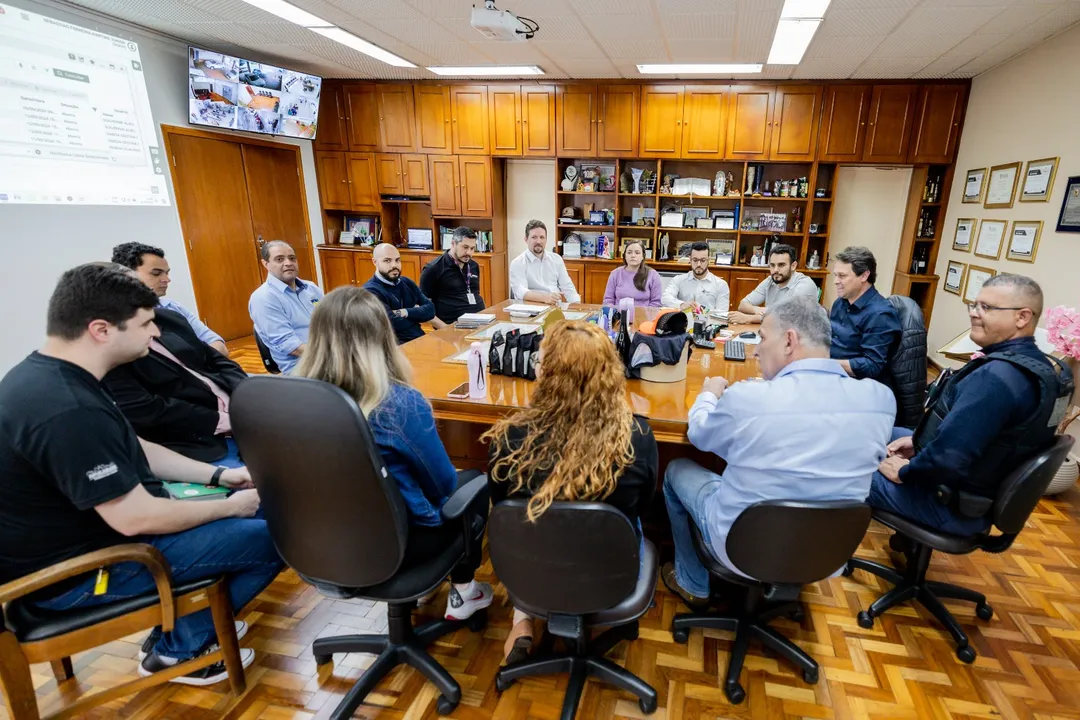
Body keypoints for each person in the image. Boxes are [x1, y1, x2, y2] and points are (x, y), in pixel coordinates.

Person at [0, 264, 282, 686]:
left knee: (261, 509)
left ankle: (184, 626)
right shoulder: (67, 409)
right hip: (78, 574)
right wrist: (229, 508)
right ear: (101, 329)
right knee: (279, 535)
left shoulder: (57, 374)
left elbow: (138, 448)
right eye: (146, 323)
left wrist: (222, 479)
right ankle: (178, 649)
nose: (156, 333)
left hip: (98, 539)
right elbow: (134, 518)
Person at [662, 297, 894, 609]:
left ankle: (692, 583)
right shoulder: (881, 400)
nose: (756, 350)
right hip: (826, 554)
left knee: (677, 469)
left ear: (789, 341)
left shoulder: (750, 398)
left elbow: (699, 435)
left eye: (762, 338)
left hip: (741, 548)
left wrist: (708, 395)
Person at [293, 286, 493, 622]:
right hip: (401, 546)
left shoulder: (290, 399)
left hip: (320, 546)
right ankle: (464, 590)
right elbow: (443, 485)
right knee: (474, 481)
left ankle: (425, 590)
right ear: (383, 337)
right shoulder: (398, 404)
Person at [483, 321, 658, 662]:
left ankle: (522, 620)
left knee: (531, 520)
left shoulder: (510, 439)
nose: (534, 367)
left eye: (539, 362)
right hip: (609, 575)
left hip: (531, 571)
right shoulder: (636, 438)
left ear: (547, 375)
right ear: (609, 374)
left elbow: (500, 505)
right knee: (630, 521)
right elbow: (644, 507)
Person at [871, 274, 1070, 536]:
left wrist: (905, 472)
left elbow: (948, 459)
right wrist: (919, 442)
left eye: (986, 308)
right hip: (979, 489)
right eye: (974, 306)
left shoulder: (995, 379)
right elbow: (989, 439)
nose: (974, 314)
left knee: (850, 464)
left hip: (950, 506)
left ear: (1022, 317)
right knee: (889, 432)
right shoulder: (1046, 369)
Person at [103, 302, 248, 466]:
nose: (155, 331)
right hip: (201, 436)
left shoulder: (169, 318)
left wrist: (246, 395)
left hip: (239, 407)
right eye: (144, 324)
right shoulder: (111, 356)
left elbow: (218, 360)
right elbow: (146, 410)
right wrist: (228, 421)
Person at [112, 242, 228, 355]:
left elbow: (216, 343)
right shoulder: (113, 319)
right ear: (126, 275)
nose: (166, 279)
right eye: (156, 273)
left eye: (166, 273)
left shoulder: (172, 307)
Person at [248, 240, 324, 374]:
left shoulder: (311, 288)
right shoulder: (263, 298)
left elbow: (334, 321)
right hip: (303, 366)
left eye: (292, 258)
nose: (288, 263)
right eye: (279, 259)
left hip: (328, 356)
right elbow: (292, 347)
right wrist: (331, 355)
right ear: (266, 264)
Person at [829, 246, 901, 381]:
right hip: (834, 374)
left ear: (864, 275)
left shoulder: (880, 315)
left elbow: (872, 366)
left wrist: (826, 364)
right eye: (835, 275)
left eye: (842, 276)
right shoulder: (840, 302)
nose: (836, 281)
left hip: (857, 384)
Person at [362, 243, 435, 344]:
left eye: (397, 260)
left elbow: (431, 310)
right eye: (387, 260)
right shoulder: (370, 291)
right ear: (375, 262)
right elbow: (390, 323)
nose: (394, 265)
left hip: (420, 341)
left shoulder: (407, 283)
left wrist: (404, 312)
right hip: (394, 348)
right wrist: (416, 316)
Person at [729, 243, 818, 323]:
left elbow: (790, 318)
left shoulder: (805, 284)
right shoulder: (770, 280)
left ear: (793, 266)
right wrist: (756, 309)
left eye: (781, 265)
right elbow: (743, 304)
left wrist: (749, 318)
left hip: (799, 337)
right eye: (772, 265)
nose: (775, 270)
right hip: (774, 331)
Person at [419, 226, 486, 328]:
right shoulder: (433, 269)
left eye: (472, 248)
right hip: (451, 326)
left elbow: (475, 294)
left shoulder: (473, 265)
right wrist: (445, 328)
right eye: (465, 247)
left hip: (479, 323)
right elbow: (422, 306)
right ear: (453, 244)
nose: (469, 253)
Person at [508, 220, 581, 305]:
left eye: (542, 237)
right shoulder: (517, 263)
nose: (538, 241)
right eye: (534, 237)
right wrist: (545, 297)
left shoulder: (556, 259)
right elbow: (520, 292)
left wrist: (578, 307)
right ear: (526, 239)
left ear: (546, 239)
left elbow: (567, 287)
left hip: (554, 309)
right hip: (530, 309)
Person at [660, 242, 730, 313]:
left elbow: (722, 313)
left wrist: (701, 310)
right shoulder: (678, 280)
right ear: (690, 259)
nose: (699, 264)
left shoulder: (721, 284)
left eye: (703, 260)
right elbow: (665, 299)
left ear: (709, 260)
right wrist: (682, 304)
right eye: (695, 260)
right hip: (683, 322)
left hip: (709, 323)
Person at [603, 239, 662, 307]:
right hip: (619, 315)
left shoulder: (653, 275)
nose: (633, 256)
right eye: (629, 252)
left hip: (644, 316)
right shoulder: (615, 274)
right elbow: (608, 300)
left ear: (643, 256)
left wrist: (643, 315)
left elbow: (656, 303)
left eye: (637, 253)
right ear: (625, 255)